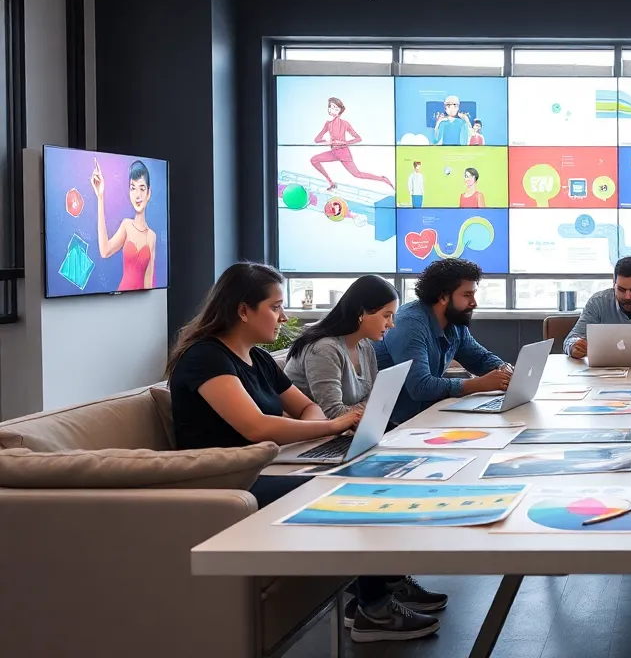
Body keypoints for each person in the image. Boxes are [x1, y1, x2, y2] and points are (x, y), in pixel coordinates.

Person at [166, 263, 446, 644]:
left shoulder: (259, 358)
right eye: (276, 307)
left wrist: (317, 430)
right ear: (243, 310)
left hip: (270, 465)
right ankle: (372, 609)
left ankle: (378, 589)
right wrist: (331, 426)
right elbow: (256, 427)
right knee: (355, 491)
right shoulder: (205, 358)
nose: (285, 316)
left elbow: (305, 408)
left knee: (380, 471)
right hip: (228, 482)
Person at [376, 258, 512, 425]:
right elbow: (421, 387)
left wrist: (504, 371)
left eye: (474, 294)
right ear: (443, 297)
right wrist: (479, 384)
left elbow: (479, 358)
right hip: (392, 426)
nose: (474, 303)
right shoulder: (409, 324)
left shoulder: (454, 322)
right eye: (467, 295)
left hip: (425, 418)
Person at [285, 275, 399, 418]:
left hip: (350, 432)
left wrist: (371, 408)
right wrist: (369, 408)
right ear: (361, 312)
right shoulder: (324, 349)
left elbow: (374, 401)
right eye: (386, 316)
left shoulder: (364, 346)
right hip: (316, 435)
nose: (391, 324)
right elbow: (333, 413)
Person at [91, 157, 158, 291]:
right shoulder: (126, 226)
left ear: (148, 193)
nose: (137, 195)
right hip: (122, 300)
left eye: (142, 188)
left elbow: (149, 285)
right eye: (133, 188)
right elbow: (105, 251)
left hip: (139, 305)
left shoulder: (152, 236)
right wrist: (100, 197)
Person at [312, 97, 394, 191]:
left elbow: (358, 138)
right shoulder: (328, 123)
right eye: (331, 107)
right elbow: (317, 139)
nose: (332, 110)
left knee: (357, 174)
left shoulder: (345, 123)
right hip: (333, 152)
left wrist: (345, 143)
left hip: (344, 153)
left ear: (340, 111)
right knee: (314, 160)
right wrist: (329, 142)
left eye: (336, 108)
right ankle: (331, 182)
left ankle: (383, 179)